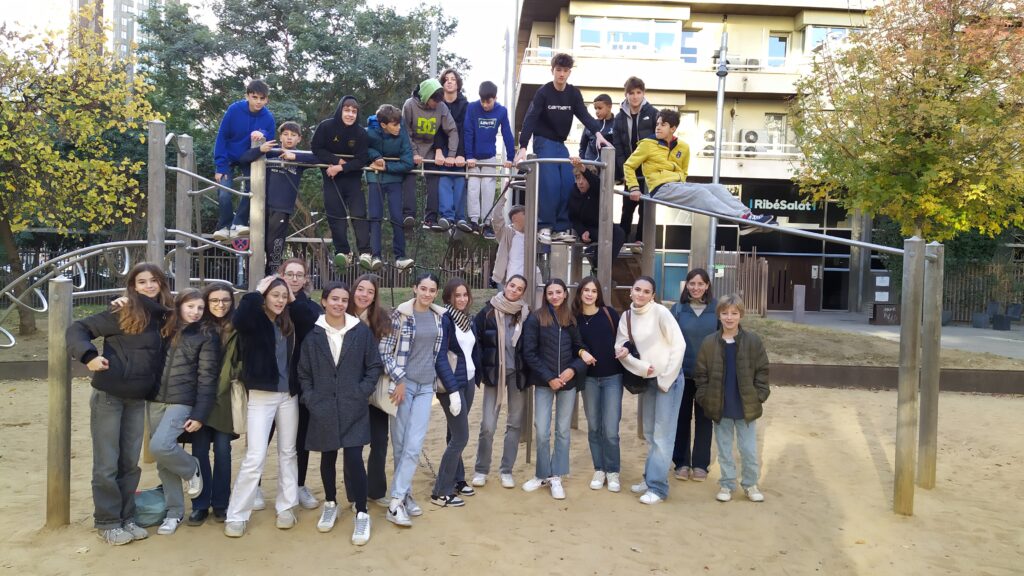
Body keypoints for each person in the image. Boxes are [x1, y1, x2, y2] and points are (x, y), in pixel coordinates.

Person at [67, 263, 172, 546]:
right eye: (142, 282)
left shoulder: (165, 316)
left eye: (154, 280)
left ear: (162, 284)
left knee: (129, 463)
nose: (149, 286)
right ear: (133, 287)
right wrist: (89, 356)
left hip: (137, 399)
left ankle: (127, 517)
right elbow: (78, 328)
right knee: (106, 464)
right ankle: (108, 522)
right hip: (109, 396)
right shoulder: (123, 311)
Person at [297, 282, 382, 544]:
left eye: (344, 300)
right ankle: (331, 502)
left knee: (354, 458)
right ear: (324, 301)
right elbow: (304, 372)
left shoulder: (360, 332)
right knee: (328, 457)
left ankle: (362, 512)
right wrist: (311, 399)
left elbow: (374, 365)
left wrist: (361, 392)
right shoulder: (313, 335)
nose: (339, 304)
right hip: (322, 407)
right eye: (334, 299)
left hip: (353, 406)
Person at [223, 275, 299, 537]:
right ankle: (237, 514)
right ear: (264, 297)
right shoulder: (253, 319)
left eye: (284, 296)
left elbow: (309, 312)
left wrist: (291, 296)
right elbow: (240, 317)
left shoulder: (287, 322)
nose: (280, 300)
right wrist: (258, 291)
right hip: (261, 395)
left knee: (288, 452)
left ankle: (286, 506)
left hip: (288, 396)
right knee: (255, 456)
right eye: (274, 295)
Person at [623, 109, 775, 234]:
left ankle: (748, 216)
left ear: (673, 128)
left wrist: (681, 184)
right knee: (700, 193)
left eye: (663, 125)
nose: (658, 127)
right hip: (660, 188)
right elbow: (629, 166)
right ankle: (742, 218)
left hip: (678, 186)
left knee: (717, 188)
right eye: (657, 124)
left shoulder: (683, 147)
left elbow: (684, 171)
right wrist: (634, 188)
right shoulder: (647, 144)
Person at [515, 53, 611, 245]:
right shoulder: (543, 92)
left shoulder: (573, 94)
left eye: (565, 71)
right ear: (552, 71)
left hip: (560, 144)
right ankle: (545, 226)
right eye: (558, 70)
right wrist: (523, 146)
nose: (561, 74)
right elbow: (531, 118)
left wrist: (598, 134)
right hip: (543, 141)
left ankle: (560, 227)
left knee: (568, 181)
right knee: (550, 182)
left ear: (569, 73)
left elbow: (584, 115)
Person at [378, 273, 449, 527]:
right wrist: (399, 378)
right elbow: (384, 351)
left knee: (414, 444)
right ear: (414, 288)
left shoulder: (439, 317)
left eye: (432, 290)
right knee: (400, 444)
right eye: (423, 288)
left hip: (426, 387)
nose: (427, 294)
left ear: (436, 293)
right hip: (403, 387)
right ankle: (404, 494)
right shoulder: (399, 316)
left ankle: (395, 501)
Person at [149, 288, 219, 535]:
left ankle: (192, 468)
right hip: (155, 398)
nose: (196, 312)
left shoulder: (206, 335)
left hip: (183, 400)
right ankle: (174, 513)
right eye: (190, 306)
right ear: (179, 306)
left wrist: (200, 415)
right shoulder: (164, 329)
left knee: (160, 446)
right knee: (163, 463)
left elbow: (208, 378)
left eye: (200, 308)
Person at [614, 276, 685, 505]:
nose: (641, 294)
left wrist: (666, 378)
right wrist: (642, 367)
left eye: (646, 291)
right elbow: (620, 349)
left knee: (663, 436)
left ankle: (658, 488)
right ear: (631, 291)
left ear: (653, 295)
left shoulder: (661, 313)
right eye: (638, 289)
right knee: (650, 434)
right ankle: (650, 477)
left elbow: (679, 345)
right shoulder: (627, 317)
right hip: (648, 380)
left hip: (668, 381)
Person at [694, 295, 770, 503]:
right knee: (724, 450)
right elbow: (701, 375)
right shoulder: (709, 343)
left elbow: (763, 370)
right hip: (720, 407)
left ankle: (750, 484)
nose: (729, 317)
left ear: (741, 315)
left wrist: (759, 395)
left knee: (748, 450)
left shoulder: (753, 341)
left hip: (746, 407)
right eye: (725, 313)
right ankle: (727, 484)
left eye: (734, 313)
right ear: (718, 315)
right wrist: (705, 398)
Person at [521, 278, 588, 500]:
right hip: (544, 382)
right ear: (545, 295)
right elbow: (529, 352)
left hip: (568, 383)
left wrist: (572, 370)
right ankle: (542, 474)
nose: (555, 296)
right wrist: (549, 377)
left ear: (565, 294)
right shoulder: (536, 318)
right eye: (550, 293)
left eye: (559, 292)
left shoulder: (571, 319)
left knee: (562, 431)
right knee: (542, 430)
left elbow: (580, 349)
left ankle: (556, 476)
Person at [471, 275, 531, 489]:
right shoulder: (488, 311)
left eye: (519, 288)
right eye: (512, 285)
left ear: (523, 293)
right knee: (488, 425)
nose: (514, 290)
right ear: (505, 286)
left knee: (514, 423)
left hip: (518, 374)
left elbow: (531, 345)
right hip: (495, 374)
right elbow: (476, 341)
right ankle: (481, 469)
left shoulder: (526, 314)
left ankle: (506, 470)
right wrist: (482, 367)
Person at [238, 121, 319, 274]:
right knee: (255, 244)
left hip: (282, 208)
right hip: (259, 206)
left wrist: (294, 156)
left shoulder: (301, 157)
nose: (289, 138)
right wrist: (260, 149)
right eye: (286, 134)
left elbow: (319, 158)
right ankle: (251, 279)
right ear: (280, 136)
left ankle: (272, 277)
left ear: (299, 139)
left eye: (293, 135)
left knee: (274, 245)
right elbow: (243, 158)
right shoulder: (270, 151)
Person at [189, 282, 238, 526]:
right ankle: (200, 504)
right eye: (215, 300)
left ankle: (221, 503)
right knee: (199, 451)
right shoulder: (196, 326)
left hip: (225, 397)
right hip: (199, 397)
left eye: (225, 300)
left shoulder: (237, 327)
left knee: (222, 451)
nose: (221, 305)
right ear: (207, 302)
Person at [278, 259, 325, 512]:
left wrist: (293, 299)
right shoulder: (268, 303)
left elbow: (307, 320)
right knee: (262, 439)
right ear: (281, 274)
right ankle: (257, 487)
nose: (294, 279)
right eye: (289, 274)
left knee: (300, 439)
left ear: (306, 279)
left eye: (299, 275)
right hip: (269, 383)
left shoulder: (310, 307)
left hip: (301, 382)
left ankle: (298, 484)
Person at [430, 278, 481, 507]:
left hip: (468, 380)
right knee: (461, 436)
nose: (461, 299)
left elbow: (472, 352)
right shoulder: (446, 320)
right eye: (456, 295)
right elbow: (440, 357)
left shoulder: (468, 320)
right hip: (452, 384)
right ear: (448, 297)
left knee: (454, 432)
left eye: (464, 295)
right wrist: (451, 390)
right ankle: (441, 490)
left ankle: (458, 479)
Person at [572, 276, 623, 493]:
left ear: (598, 294)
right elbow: (572, 344)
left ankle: (613, 471)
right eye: (586, 290)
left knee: (610, 429)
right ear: (580, 293)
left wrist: (626, 349)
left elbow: (624, 338)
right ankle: (599, 468)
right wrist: (581, 352)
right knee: (594, 427)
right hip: (589, 378)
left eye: (594, 291)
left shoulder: (609, 314)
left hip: (612, 377)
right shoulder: (574, 318)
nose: (590, 294)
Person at [346, 274, 394, 508]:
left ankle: (376, 490)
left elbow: (387, 354)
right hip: (349, 391)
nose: (364, 295)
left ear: (375, 296)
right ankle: (355, 494)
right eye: (361, 289)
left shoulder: (381, 319)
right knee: (352, 445)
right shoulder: (342, 315)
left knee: (379, 441)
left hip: (375, 390)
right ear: (353, 290)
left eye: (370, 292)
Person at [311, 95, 372, 271]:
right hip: (331, 179)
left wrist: (341, 168)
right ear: (340, 110)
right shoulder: (326, 126)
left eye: (354, 111)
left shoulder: (361, 133)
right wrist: (336, 160)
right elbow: (316, 148)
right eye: (347, 110)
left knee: (359, 215)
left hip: (353, 179)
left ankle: (365, 252)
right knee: (335, 216)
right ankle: (343, 252)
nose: (350, 114)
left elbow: (362, 159)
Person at [670, 269, 718, 482]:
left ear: (707, 286)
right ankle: (681, 463)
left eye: (700, 284)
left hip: (707, 376)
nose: (696, 288)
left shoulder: (717, 309)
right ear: (686, 285)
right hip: (682, 375)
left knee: (704, 420)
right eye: (692, 284)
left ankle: (700, 464)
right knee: (681, 419)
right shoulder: (678, 309)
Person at [212, 79, 276, 241]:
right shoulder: (234, 110)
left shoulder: (268, 117)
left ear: (266, 100)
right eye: (255, 97)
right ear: (247, 96)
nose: (258, 101)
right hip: (228, 156)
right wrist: (220, 166)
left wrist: (262, 133)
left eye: (262, 98)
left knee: (253, 189)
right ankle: (224, 226)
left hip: (249, 158)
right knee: (224, 192)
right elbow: (222, 137)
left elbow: (270, 137)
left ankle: (239, 223)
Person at [402, 79, 459, 230]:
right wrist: (413, 152)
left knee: (434, 180)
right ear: (426, 96)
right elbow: (405, 131)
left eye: (439, 101)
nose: (436, 104)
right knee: (409, 176)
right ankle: (408, 214)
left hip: (430, 149)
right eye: (434, 101)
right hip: (411, 148)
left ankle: (430, 218)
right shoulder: (409, 105)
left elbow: (452, 130)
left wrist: (451, 154)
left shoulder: (441, 107)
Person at [366, 105, 416, 271]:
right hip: (374, 179)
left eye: (399, 123)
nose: (399, 127)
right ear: (383, 125)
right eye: (394, 125)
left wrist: (386, 167)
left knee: (396, 216)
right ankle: (375, 255)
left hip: (394, 179)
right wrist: (376, 156)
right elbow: (363, 149)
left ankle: (400, 257)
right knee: (375, 217)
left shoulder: (402, 134)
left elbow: (408, 162)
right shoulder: (369, 132)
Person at [464, 80, 515, 238]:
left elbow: (507, 133)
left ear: (495, 98)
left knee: (488, 188)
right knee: (473, 187)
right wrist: (469, 156)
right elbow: (468, 131)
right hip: (473, 158)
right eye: (483, 101)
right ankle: (473, 221)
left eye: (489, 101)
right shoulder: (472, 107)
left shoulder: (501, 111)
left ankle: (486, 224)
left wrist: (510, 158)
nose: (485, 105)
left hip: (489, 156)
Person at [613, 77, 658, 246]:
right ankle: (621, 241)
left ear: (643, 93)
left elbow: (659, 142)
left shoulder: (653, 113)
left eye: (638, 92)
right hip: (630, 168)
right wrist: (624, 170)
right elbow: (618, 146)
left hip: (648, 169)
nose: (635, 96)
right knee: (627, 207)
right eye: (631, 93)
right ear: (626, 94)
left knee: (645, 208)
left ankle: (640, 241)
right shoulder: (619, 118)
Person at [568, 164, 625, 269]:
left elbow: (597, 183)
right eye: (578, 178)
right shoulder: (574, 192)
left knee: (619, 233)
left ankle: (600, 266)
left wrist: (584, 170)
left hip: (603, 224)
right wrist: (582, 231)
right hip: (588, 228)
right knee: (605, 236)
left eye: (584, 178)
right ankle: (598, 265)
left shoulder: (596, 189)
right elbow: (573, 218)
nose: (580, 182)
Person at [435, 68, 470, 232]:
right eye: (446, 79)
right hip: (443, 150)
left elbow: (465, 131)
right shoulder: (438, 105)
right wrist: (439, 150)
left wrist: (460, 154)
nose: (449, 82)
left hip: (460, 151)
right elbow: (437, 129)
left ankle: (460, 218)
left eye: (453, 79)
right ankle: (446, 217)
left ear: (458, 84)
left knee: (460, 182)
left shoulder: (465, 105)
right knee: (444, 181)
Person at [489, 193, 541, 289]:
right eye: (525, 214)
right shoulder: (505, 233)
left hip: (531, 279)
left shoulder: (532, 234)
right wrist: (502, 196)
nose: (529, 217)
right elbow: (496, 218)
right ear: (515, 218)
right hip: (511, 279)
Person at [579, 93, 614, 162]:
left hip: (608, 165)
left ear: (609, 107)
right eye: (595, 109)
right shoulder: (591, 124)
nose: (597, 111)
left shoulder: (617, 125)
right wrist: (582, 162)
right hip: (589, 164)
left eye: (600, 108)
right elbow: (583, 146)